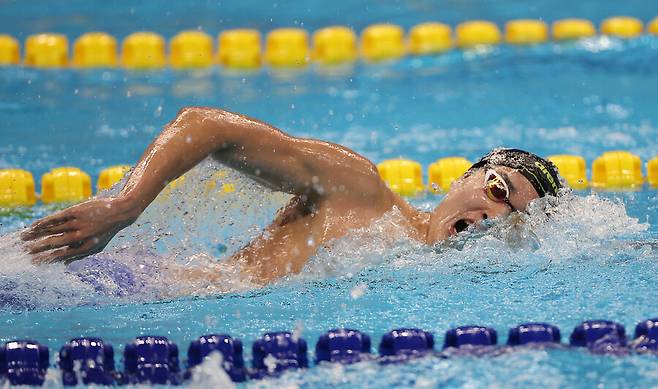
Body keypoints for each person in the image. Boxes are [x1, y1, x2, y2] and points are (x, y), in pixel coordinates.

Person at [21, 107, 562, 284]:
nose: (494, 215)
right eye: (498, 189)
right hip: (119, 283)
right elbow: (206, 125)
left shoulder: (430, 280)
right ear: (464, 177)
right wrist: (125, 205)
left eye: (514, 218)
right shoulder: (361, 191)